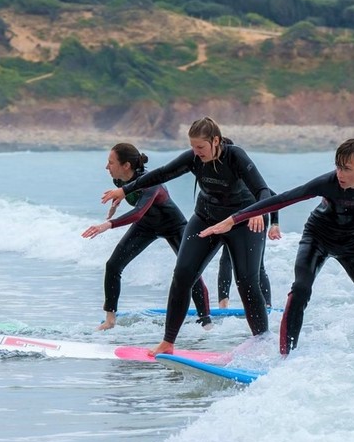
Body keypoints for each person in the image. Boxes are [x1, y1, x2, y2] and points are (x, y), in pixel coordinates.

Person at [199, 137, 354, 354]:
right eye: (338, 166)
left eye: (347, 168)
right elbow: (282, 199)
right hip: (317, 237)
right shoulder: (328, 183)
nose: (340, 173)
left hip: (353, 243)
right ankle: (285, 357)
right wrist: (233, 219)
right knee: (301, 290)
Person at [102, 117, 275, 355]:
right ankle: (168, 342)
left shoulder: (235, 156)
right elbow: (161, 174)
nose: (196, 152)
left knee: (246, 281)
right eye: (193, 147)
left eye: (201, 147)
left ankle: (262, 343)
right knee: (182, 275)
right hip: (205, 218)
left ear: (216, 141)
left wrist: (258, 212)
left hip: (242, 221)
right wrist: (125, 189)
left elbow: (263, 189)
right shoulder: (194, 158)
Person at [82, 143, 212, 331]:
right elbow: (132, 200)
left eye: (110, 162)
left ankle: (205, 322)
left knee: (189, 272)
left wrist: (107, 225)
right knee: (113, 266)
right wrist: (116, 203)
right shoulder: (119, 181)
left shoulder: (151, 184)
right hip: (146, 227)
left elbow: (137, 212)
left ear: (126, 165)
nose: (106, 167)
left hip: (173, 225)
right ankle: (110, 320)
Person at [216, 213, 281, 308]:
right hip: (237, 214)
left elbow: (270, 198)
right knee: (226, 259)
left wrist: (275, 223)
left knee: (258, 264)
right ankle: (223, 305)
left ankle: (266, 305)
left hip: (257, 217)